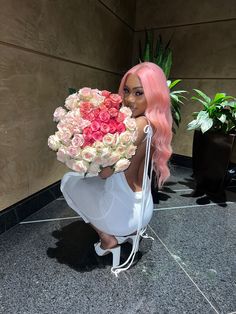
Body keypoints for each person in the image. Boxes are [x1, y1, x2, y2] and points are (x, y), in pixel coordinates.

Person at [61, 62, 172, 275]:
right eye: (127, 91)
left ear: (155, 95)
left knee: (69, 181)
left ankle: (107, 239)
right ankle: (127, 234)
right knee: (88, 183)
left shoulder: (139, 124)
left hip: (122, 216)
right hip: (142, 211)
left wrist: (83, 148)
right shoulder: (156, 124)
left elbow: (105, 172)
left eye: (139, 93)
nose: (129, 99)